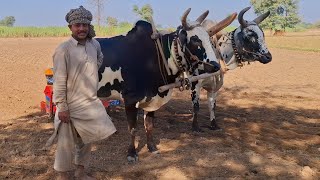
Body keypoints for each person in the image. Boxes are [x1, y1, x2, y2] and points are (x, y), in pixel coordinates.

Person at [45, 6, 116, 180]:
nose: (82, 28)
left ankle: (80, 174)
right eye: (77, 25)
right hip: (69, 105)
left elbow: (99, 59)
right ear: (70, 27)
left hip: (89, 103)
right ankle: (63, 177)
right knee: (65, 146)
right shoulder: (64, 49)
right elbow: (59, 80)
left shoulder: (95, 44)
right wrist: (62, 107)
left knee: (85, 142)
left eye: (85, 24)